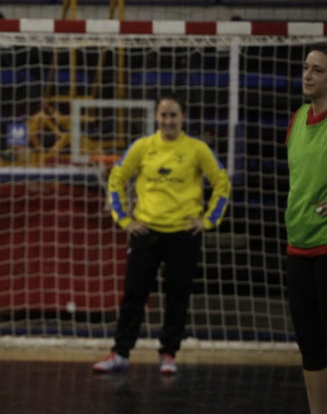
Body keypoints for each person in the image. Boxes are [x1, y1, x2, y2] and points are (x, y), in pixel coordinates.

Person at [92, 93, 230, 375]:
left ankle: (168, 354)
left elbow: (222, 183)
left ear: (183, 117)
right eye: (163, 115)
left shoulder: (197, 149)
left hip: (183, 234)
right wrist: (123, 219)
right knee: (133, 294)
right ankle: (120, 353)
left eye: (173, 114)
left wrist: (208, 221)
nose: (168, 120)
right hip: (146, 231)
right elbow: (116, 179)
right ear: (156, 117)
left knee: (177, 296)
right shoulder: (142, 147)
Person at [278, 43, 327, 414]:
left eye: (317, 69)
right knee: (310, 344)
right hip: (299, 244)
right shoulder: (298, 118)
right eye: (305, 67)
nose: (307, 75)